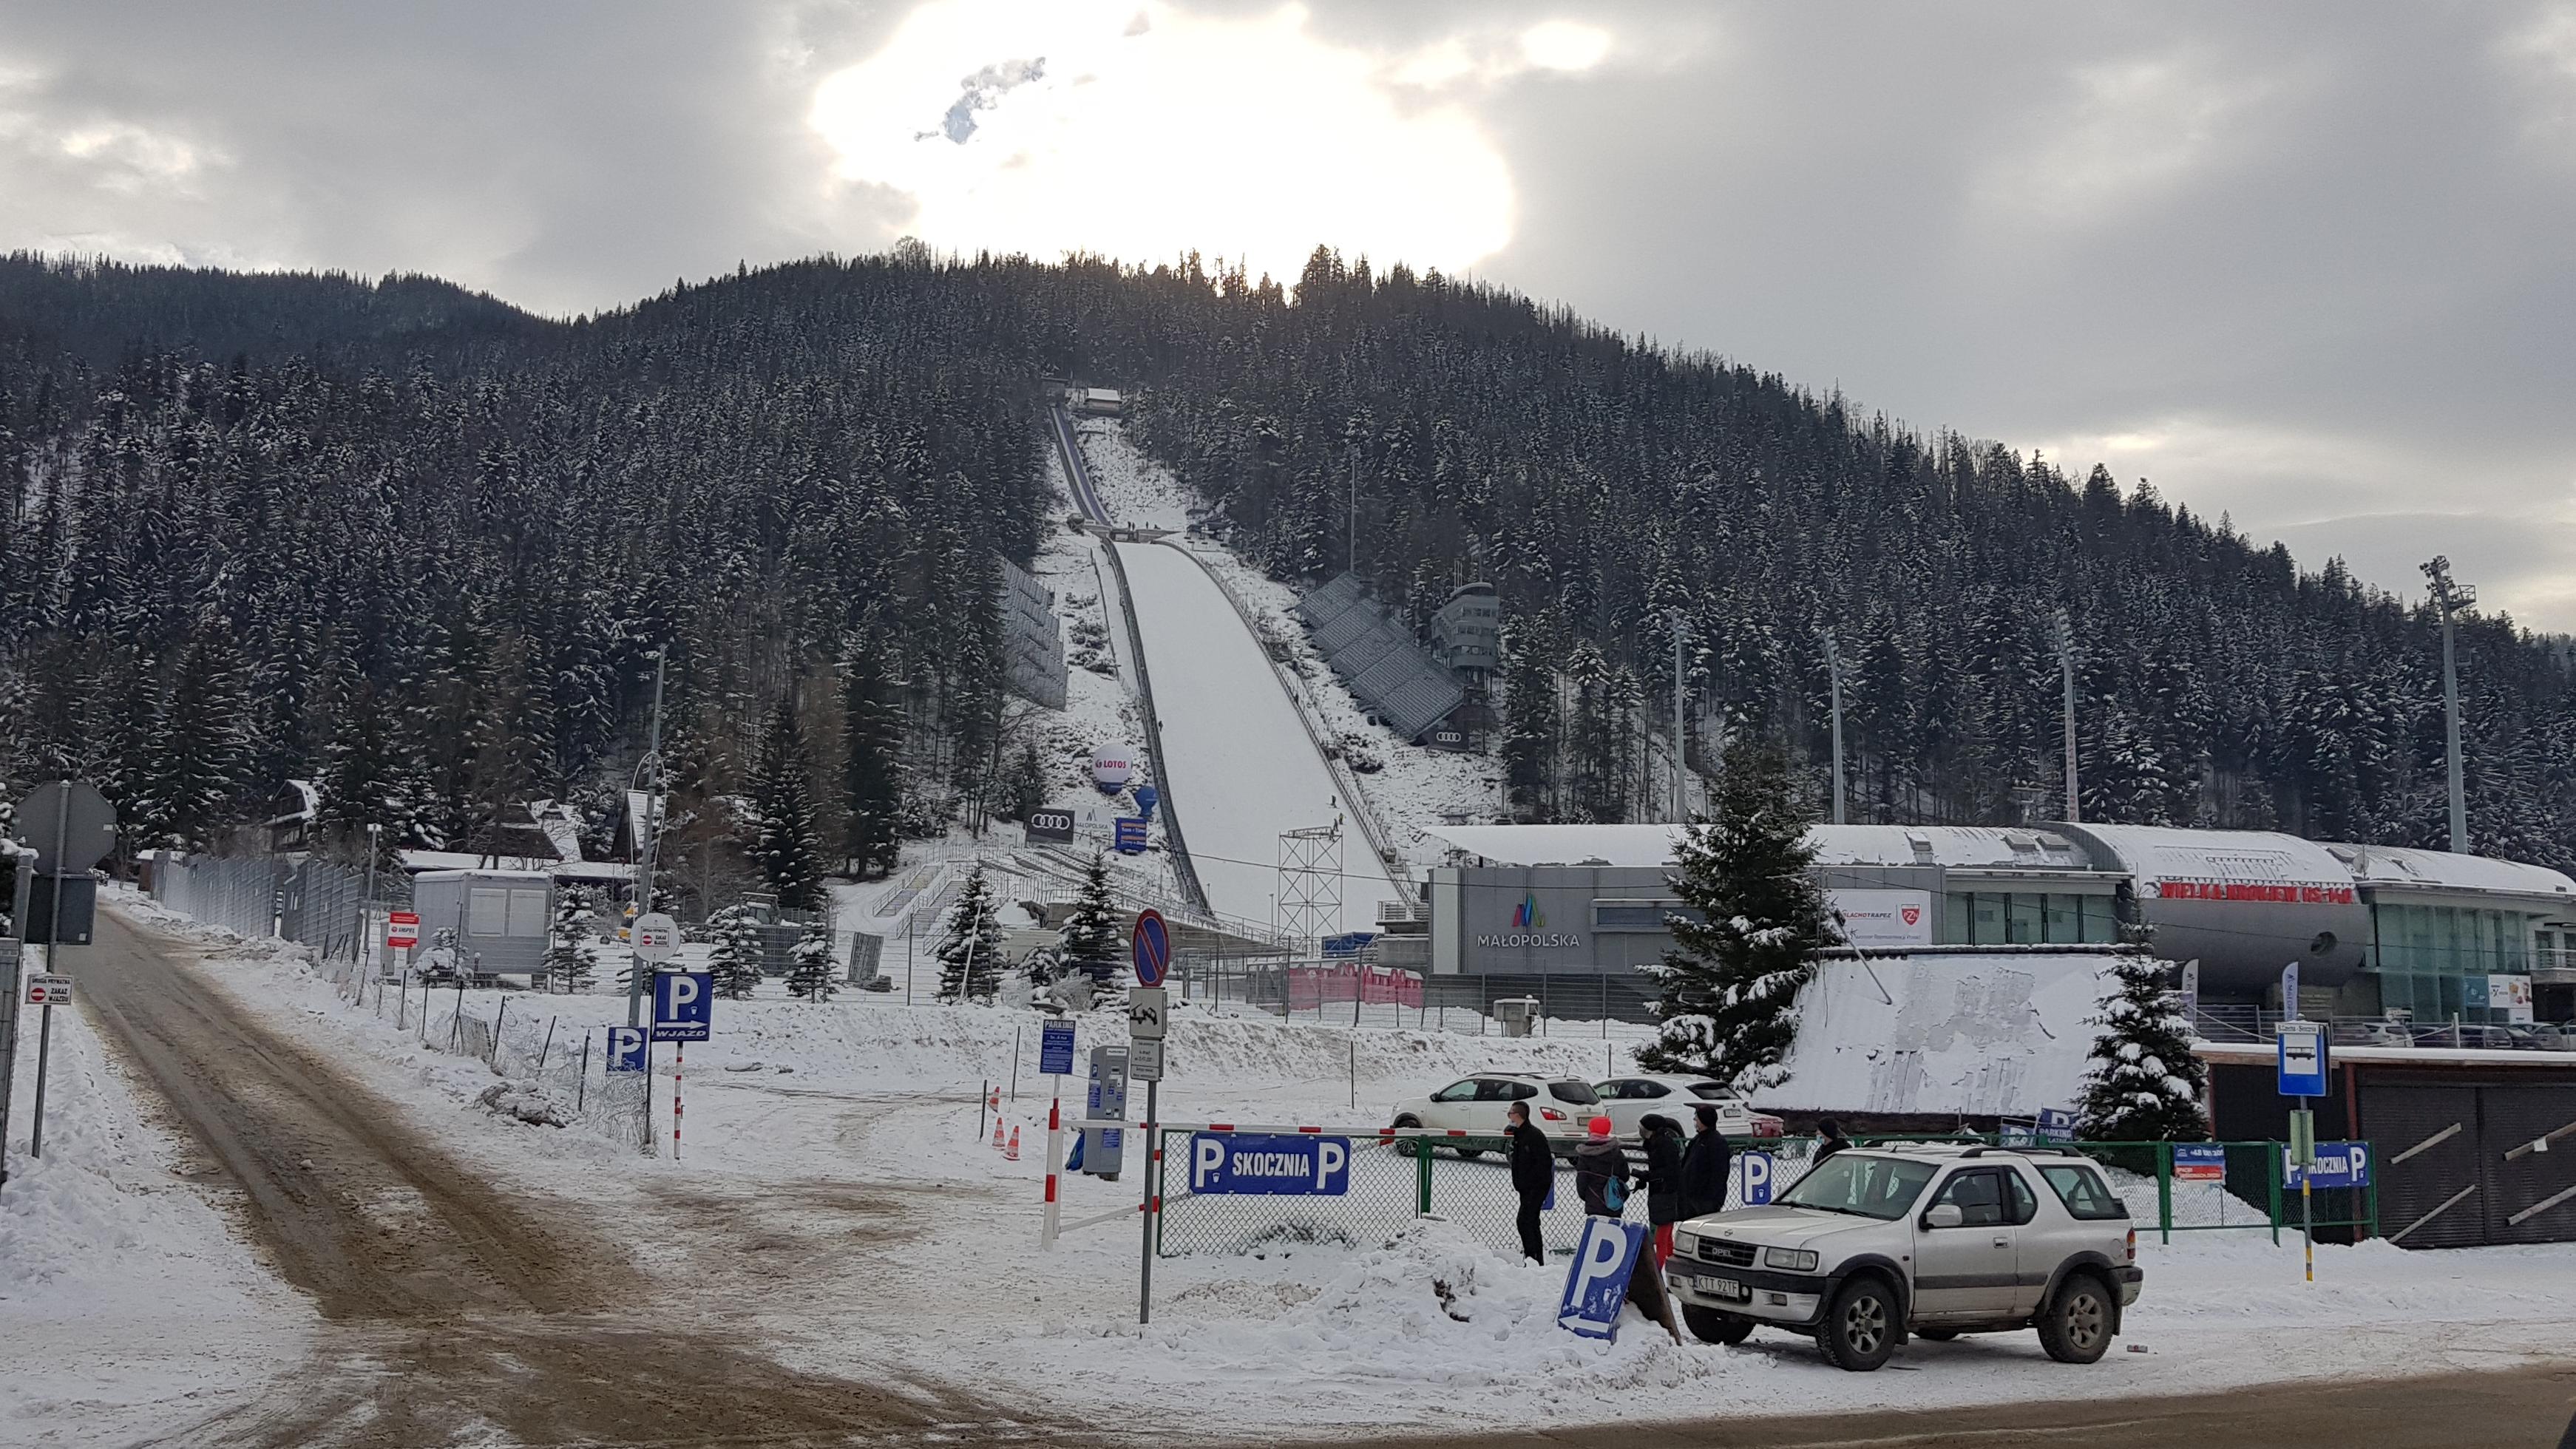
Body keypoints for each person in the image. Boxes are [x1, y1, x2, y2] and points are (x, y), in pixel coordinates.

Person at [1505, 1099, 1553, 1265]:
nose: (1509, 1116)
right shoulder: (1520, 1134)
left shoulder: (1533, 1135)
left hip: (1535, 1187)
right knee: (1530, 1222)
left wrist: (1531, 1183)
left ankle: (1533, 1259)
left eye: (1510, 1113)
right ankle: (1534, 1259)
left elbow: (1543, 1163)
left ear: (1518, 1115)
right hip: (1526, 1188)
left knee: (1525, 1221)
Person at [1638, 1113, 1688, 1267]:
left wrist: (1648, 1176)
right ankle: (1673, 1264)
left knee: (1661, 1238)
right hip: (1660, 1191)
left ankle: (1658, 1270)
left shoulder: (1664, 1145)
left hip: (1666, 1193)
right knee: (1666, 1237)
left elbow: (1670, 1171)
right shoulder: (1654, 1144)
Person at [1679, 1102, 1735, 1221]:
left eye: (1697, 1118)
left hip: (1706, 1200)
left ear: (1704, 1120)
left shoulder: (1717, 1142)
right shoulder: (1697, 1140)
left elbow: (1720, 1173)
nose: (1695, 1121)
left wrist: (1711, 1197)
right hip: (1691, 1197)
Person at [1574, 1115, 1630, 1217]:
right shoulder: (1616, 1152)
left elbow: (1582, 1181)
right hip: (1614, 1202)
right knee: (1613, 1231)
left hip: (1594, 1203)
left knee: (1596, 1231)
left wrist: (1587, 1197)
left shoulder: (1586, 1154)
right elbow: (1625, 1175)